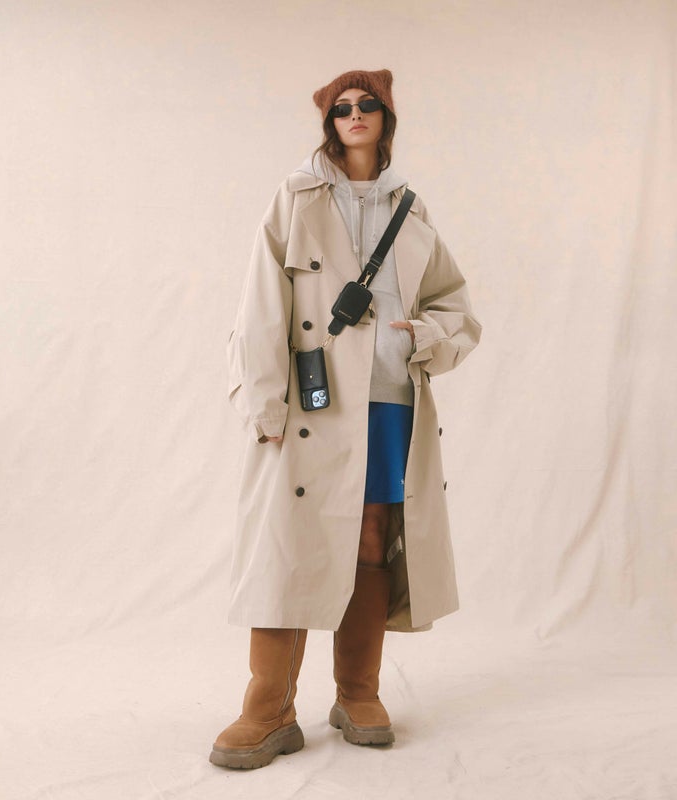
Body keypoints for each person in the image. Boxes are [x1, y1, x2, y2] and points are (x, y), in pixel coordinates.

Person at [210, 68, 482, 769]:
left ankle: (357, 693)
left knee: (371, 537)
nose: (354, 115)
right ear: (328, 123)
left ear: (386, 118)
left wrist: (425, 335)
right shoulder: (296, 197)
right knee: (288, 540)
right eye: (340, 108)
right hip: (311, 404)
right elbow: (259, 306)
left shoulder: (411, 212)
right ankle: (268, 708)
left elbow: (456, 309)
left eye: (367, 105)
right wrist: (262, 401)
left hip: (390, 398)